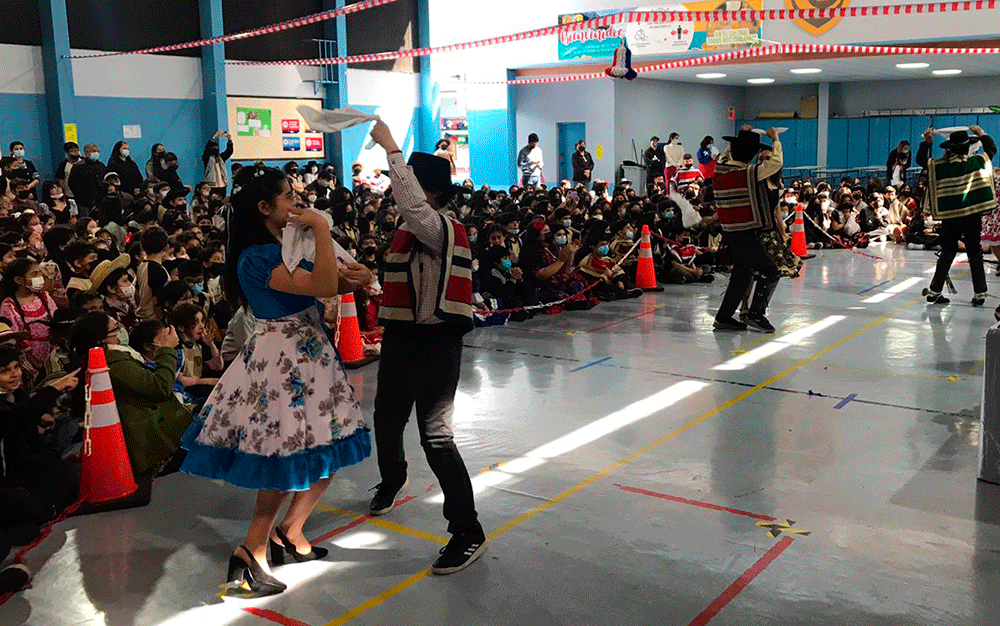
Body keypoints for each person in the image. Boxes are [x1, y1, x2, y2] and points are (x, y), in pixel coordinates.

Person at [179, 163, 372, 596]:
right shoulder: (256, 257)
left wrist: (359, 277)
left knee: (329, 448)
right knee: (281, 457)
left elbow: (333, 279)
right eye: (289, 197)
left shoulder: (285, 245)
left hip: (313, 356)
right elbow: (321, 283)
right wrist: (322, 229)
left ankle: (293, 530)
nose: (298, 203)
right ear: (266, 208)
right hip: (283, 365)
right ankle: (252, 549)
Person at [368, 119, 488, 575]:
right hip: (403, 337)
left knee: (436, 437)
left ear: (431, 193)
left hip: (437, 342)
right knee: (386, 416)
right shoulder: (408, 232)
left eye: (412, 187)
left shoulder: (439, 227)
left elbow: (414, 207)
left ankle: (467, 531)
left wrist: (392, 148)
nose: (401, 194)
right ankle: (392, 477)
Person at [712, 126, 783, 332]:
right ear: (752, 154)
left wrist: (738, 139)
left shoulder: (721, 168)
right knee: (771, 270)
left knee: (742, 274)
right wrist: (775, 140)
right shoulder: (748, 173)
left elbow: (727, 155)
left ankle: (724, 317)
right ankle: (756, 314)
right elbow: (776, 163)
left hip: (730, 231)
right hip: (745, 231)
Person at [919, 126, 997, 306]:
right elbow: (991, 150)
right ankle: (980, 293)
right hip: (971, 216)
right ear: (967, 147)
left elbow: (922, 160)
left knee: (947, 251)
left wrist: (927, 142)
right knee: (974, 252)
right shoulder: (976, 163)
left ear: (949, 148)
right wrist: (982, 134)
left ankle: (935, 290)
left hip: (950, 217)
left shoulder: (939, 167)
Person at [0, 259, 58, 386]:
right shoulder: (10, 305)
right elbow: (15, 334)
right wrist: (33, 360)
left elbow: (55, 319)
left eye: (39, 274)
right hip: (28, 358)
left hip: (51, 351)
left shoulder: (44, 297)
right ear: (19, 280)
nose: (39, 278)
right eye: (35, 274)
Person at [136, 226, 172, 322]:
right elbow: (158, 301)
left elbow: (136, 292)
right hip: (154, 320)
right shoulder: (158, 270)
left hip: (142, 317)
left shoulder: (141, 266)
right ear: (165, 247)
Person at [68, 144, 108, 218]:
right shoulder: (78, 167)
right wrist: (80, 196)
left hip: (99, 200)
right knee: (85, 221)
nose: (96, 153)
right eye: (94, 151)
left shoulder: (101, 166)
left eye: (97, 151)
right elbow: (72, 183)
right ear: (86, 153)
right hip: (84, 201)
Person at [203, 132, 234, 196]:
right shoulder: (207, 158)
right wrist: (214, 137)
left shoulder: (221, 158)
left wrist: (229, 140)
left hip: (222, 185)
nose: (216, 149)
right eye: (214, 147)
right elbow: (207, 149)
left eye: (217, 147)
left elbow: (229, 151)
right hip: (212, 186)